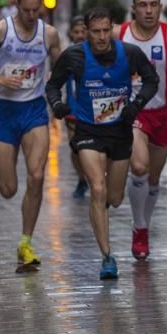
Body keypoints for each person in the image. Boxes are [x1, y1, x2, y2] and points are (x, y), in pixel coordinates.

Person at [46, 7, 159, 280]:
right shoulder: (74, 55)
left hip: (120, 132)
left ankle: (108, 214)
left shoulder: (129, 53)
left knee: (114, 198)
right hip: (88, 131)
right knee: (97, 188)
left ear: (112, 29)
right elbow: (52, 86)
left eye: (106, 30)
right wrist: (58, 104)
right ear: (86, 32)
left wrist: (136, 105)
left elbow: (151, 80)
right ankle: (107, 257)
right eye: (95, 32)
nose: (101, 37)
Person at [0, 0, 62, 269]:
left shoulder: (49, 34)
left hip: (33, 110)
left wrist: (56, 85)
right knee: (9, 189)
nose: (32, 15)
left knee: (36, 175)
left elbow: (62, 65)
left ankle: (25, 243)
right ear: (17, 4)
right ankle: (21, 230)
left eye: (36, 10)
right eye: (26, 10)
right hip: (2, 112)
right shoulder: (1, 30)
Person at [113, 0, 167, 261]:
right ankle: (139, 228)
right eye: (142, 5)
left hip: (161, 113)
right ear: (134, 9)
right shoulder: (119, 34)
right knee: (139, 166)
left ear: (160, 7)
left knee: (154, 178)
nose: (148, 10)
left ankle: (143, 224)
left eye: (153, 5)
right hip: (132, 113)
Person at [64, 16, 89, 199]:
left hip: (95, 108)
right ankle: (82, 179)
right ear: (71, 34)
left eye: (83, 31)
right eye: (76, 32)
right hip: (72, 108)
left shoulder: (100, 52)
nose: (80, 35)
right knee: (75, 147)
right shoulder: (67, 54)